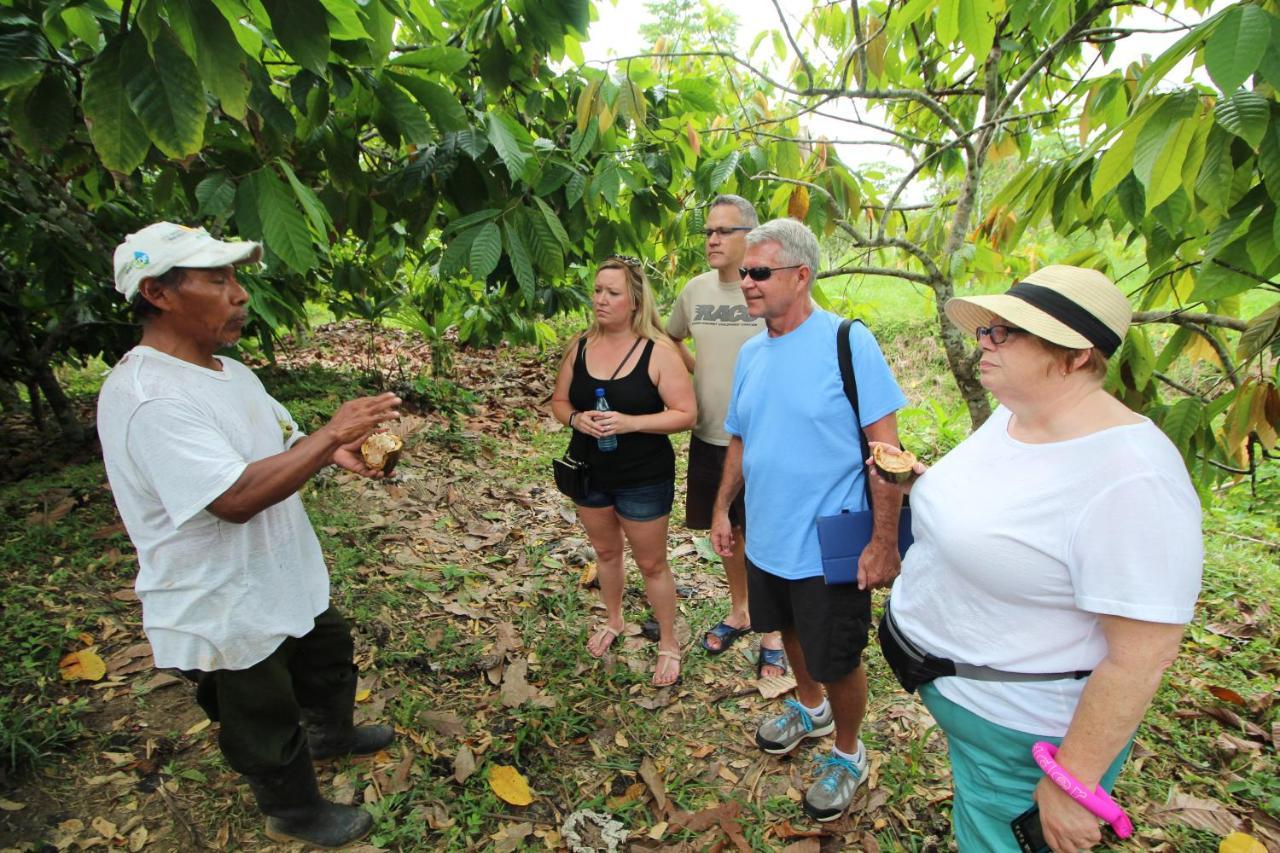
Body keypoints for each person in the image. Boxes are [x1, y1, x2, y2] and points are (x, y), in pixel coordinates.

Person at [871, 266, 1203, 852]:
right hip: (967, 700)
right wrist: (916, 482)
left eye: (1006, 333)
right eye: (987, 329)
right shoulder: (1016, 414)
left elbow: (1142, 657)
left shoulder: (1131, 480)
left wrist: (1071, 782)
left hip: (1028, 737)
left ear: (1076, 357)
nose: (984, 342)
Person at [97, 223, 402, 848]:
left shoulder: (229, 373)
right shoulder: (149, 396)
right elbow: (232, 499)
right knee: (260, 712)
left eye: (236, 278)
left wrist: (330, 452)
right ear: (158, 293)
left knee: (327, 654)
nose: (240, 294)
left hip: (279, 575)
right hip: (222, 600)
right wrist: (329, 437)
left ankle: (332, 737)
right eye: (218, 280)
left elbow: (280, 441)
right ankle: (293, 810)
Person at [710, 219, 908, 821]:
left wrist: (881, 542)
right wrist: (722, 506)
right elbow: (741, 439)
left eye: (759, 272)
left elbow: (887, 453)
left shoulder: (847, 342)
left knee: (837, 655)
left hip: (829, 543)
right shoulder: (750, 352)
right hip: (766, 536)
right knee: (788, 633)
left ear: (801, 276)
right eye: (744, 271)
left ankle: (849, 752)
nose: (746, 281)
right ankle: (810, 706)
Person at [550, 256, 697, 687]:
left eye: (612, 293)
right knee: (606, 553)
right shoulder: (580, 345)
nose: (600, 300)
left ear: (634, 300)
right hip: (588, 471)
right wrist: (576, 419)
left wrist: (632, 422)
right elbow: (559, 402)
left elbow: (687, 413)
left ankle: (668, 640)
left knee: (652, 563)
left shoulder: (658, 351)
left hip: (643, 476)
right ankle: (613, 620)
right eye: (597, 290)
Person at [665, 195, 787, 678]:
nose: (713, 239)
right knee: (729, 530)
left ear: (750, 238)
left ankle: (774, 627)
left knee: (766, 531)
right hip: (710, 433)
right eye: (708, 231)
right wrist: (698, 376)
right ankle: (741, 609)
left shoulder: (765, 291)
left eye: (724, 231)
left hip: (766, 439)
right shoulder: (694, 291)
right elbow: (669, 336)